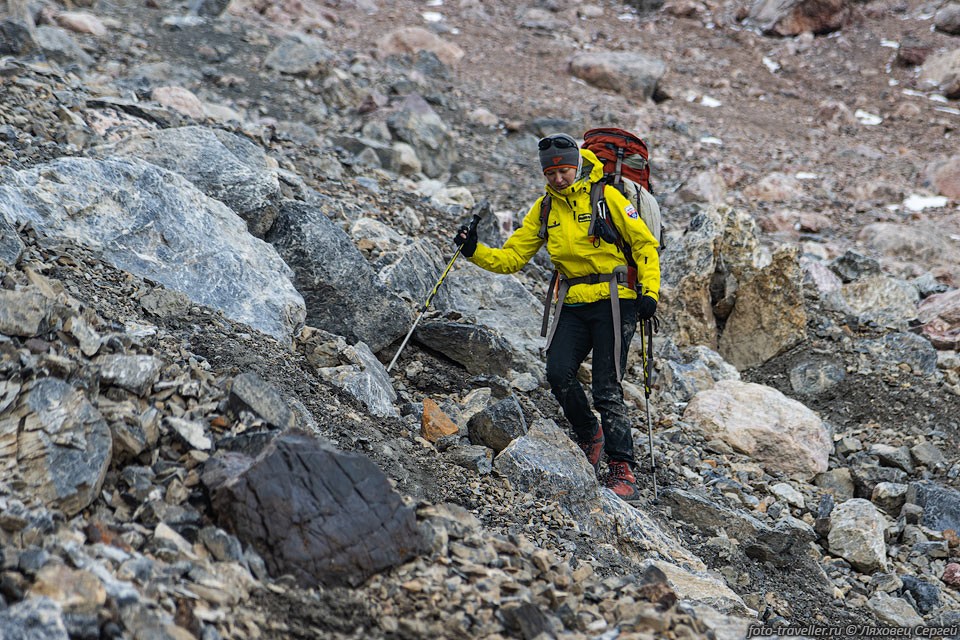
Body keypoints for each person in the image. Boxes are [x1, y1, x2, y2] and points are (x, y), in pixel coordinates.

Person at [453, 133, 660, 501]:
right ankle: (589, 433)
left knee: (606, 387)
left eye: (564, 170)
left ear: (577, 165)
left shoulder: (607, 197)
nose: (558, 178)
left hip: (617, 299)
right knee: (557, 373)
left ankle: (622, 467)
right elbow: (512, 258)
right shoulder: (544, 209)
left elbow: (644, 245)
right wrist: (474, 250)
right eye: (551, 173)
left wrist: (649, 292)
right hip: (575, 300)